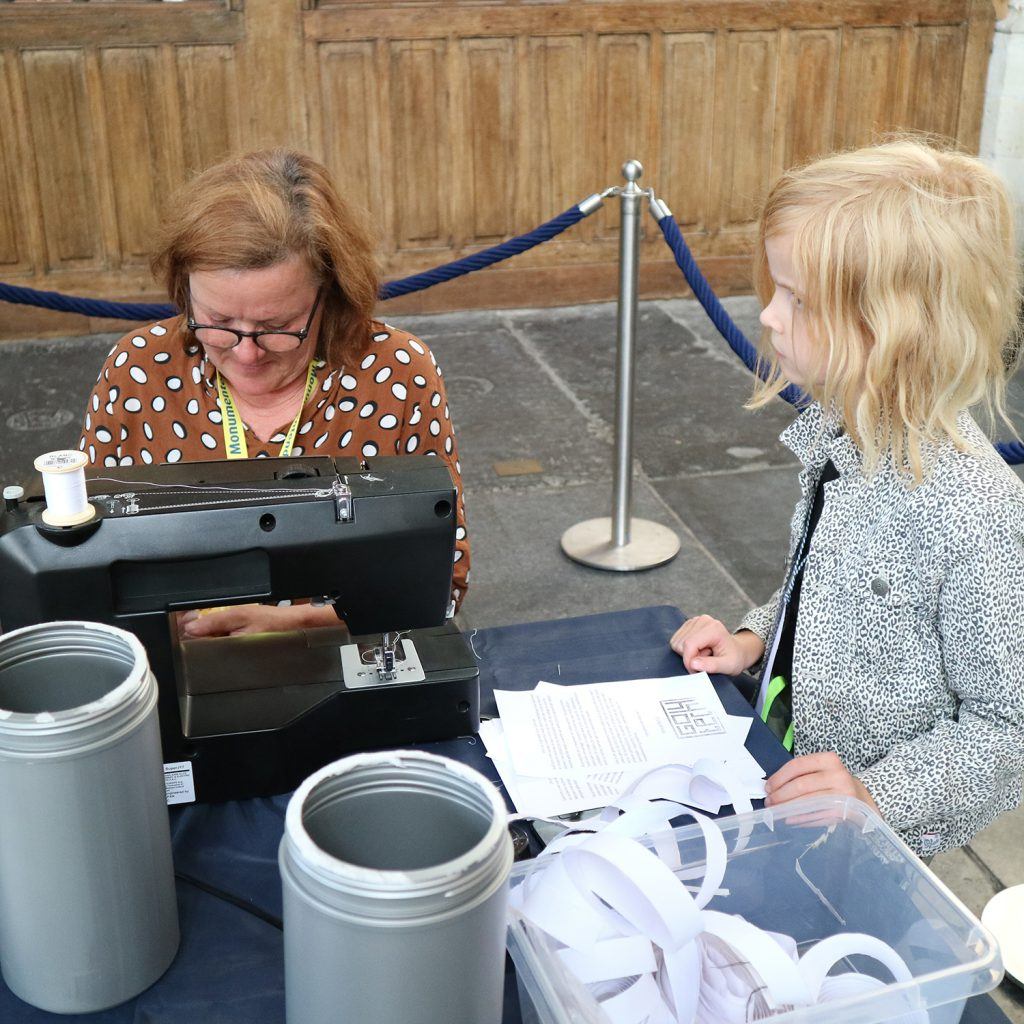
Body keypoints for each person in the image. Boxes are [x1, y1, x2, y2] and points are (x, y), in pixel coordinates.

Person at [669, 139, 1024, 857]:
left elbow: (1007, 726)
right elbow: (817, 587)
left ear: (893, 330)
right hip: (790, 770)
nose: (768, 316)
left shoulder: (975, 514)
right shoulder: (843, 438)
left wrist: (872, 798)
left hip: (870, 833)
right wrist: (751, 641)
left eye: (798, 300)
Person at [79, 149, 469, 636]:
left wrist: (302, 625)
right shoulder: (139, 369)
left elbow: (440, 575)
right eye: (219, 322)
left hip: (343, 671)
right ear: (183, 290)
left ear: (330, 292)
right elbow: (83, 556)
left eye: (277, 326)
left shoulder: (395, 372)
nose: (247, 355)